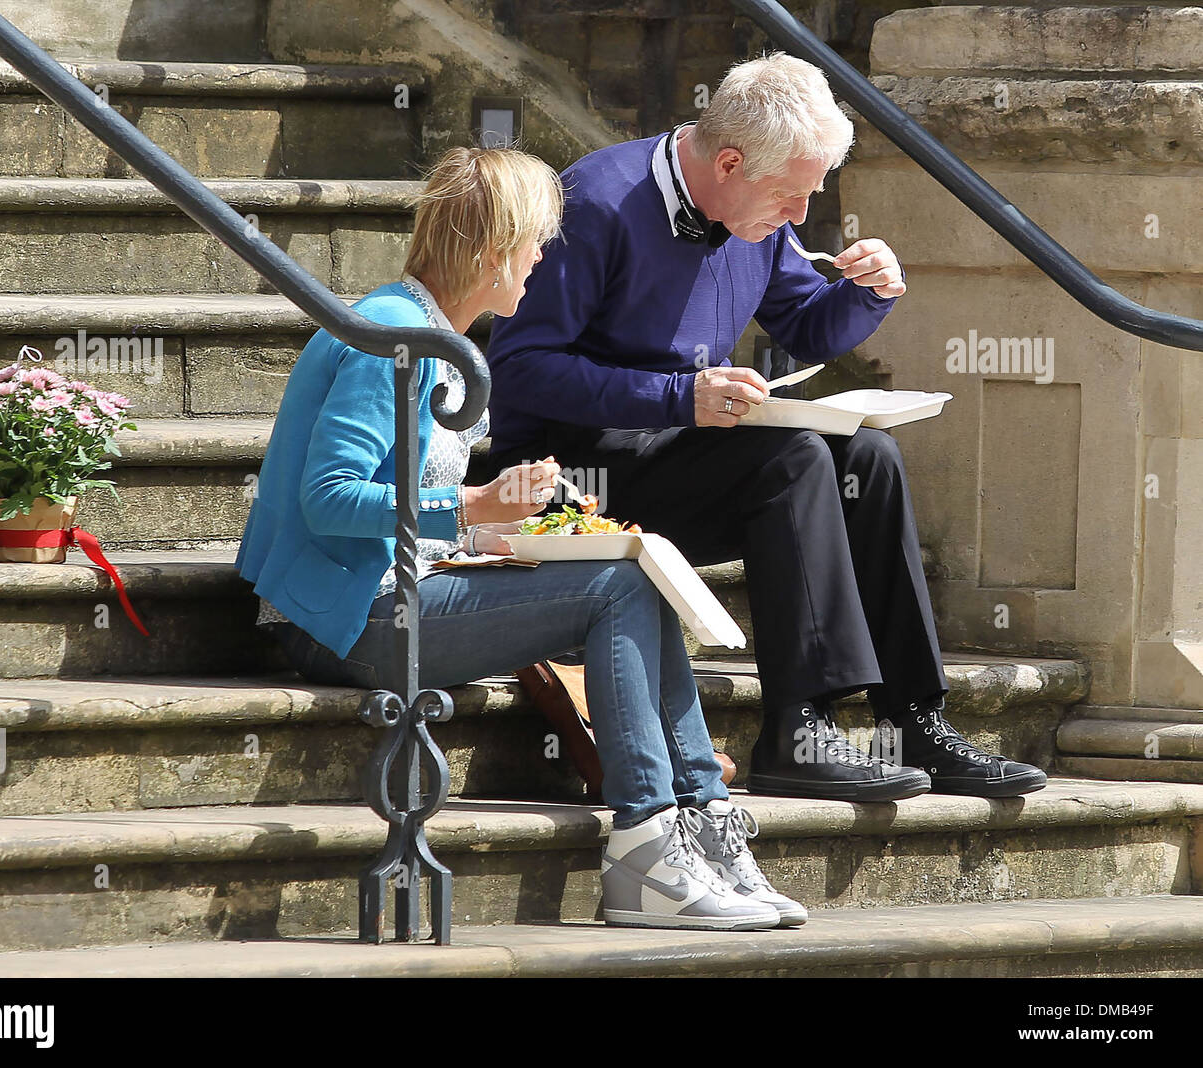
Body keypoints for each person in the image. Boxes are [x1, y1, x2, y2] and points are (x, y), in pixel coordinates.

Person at [234, 145, 806, 930]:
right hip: (340, 620)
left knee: (631, 564)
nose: (543, 256)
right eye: (536, 240)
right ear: (494, 250)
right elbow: (329, 500)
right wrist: (471, 504)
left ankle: (703, 824)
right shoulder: (396, 341)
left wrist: (509, 527)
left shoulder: (439, 334)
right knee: (623, 584)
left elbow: (415, 514)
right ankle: (649, 847)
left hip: (397, 590)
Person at [484, 54, 1048, 802]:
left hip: (679, 454)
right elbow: (519, 371)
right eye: (792, 196)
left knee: (869, 457)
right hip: (565, 480)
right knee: (790, 459)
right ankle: (797, 728)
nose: (801, 215)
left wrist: (868, 293)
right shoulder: (594, 202)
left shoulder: (752, 208)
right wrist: (679, 396)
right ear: (729, 162)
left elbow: (808, 328)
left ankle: (911, 719)